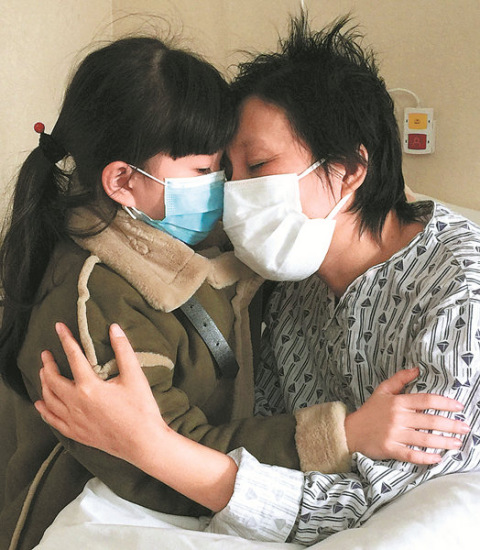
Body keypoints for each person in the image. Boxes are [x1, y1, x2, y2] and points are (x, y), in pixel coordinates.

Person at [0, 30, 462, 550]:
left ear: (350, 171)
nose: (231, 196)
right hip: (96, 507)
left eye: (251, 168)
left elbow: (389, 498)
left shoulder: (453, 299)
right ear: (122, 182)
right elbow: (154, 461)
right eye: (215, 171)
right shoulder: (100, 294)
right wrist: (342, 435)